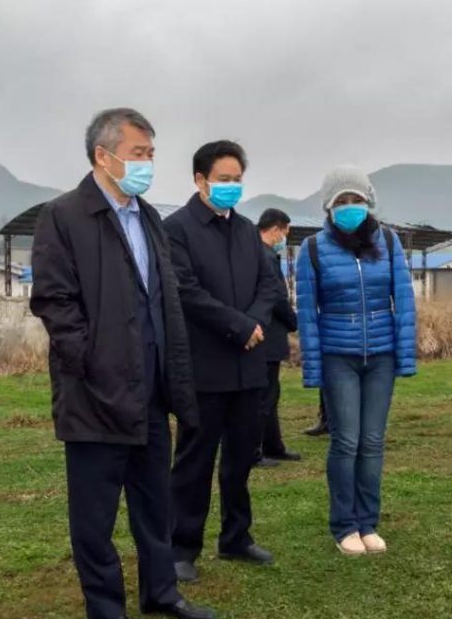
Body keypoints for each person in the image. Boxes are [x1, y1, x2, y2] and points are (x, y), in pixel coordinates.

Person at [30, 107, 214, 619]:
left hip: (151, 389)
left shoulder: (149, 217)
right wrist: (89, 361)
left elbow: (164, 300)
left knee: (155, 502)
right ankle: (106, 608)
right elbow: (54, 301)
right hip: (94, 394)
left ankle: (161, 591)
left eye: (151, 153)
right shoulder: (64, 216)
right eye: (138, 153)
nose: (147, 163)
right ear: (102, 155)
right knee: (95, 512)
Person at [166, 140, 281, 582]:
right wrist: (238, 326)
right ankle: (182, 546)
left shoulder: (247, 231)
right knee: (194, 461)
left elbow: (269, 286)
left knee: (240, 458)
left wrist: (254, 324)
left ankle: (236, 536)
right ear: (200, 180)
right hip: (205, 366)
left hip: (248, 366)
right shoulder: (177, 230)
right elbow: (186, 291)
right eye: (223, 179)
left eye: (237, 180)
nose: (231, 186)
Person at [296, 165, 417, 556]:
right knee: (346, 441)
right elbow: (307, 315)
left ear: (369, 202)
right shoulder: (312, 250)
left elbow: (404, 301)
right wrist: (313, 368)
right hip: (338, 358)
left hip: (381, 356)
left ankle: (368, 522)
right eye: (342, 201)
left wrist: (404, 356)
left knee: (373, 441)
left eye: (357, 199)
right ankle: (344, 525)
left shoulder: (390, 242)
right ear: (329, 207)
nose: (350, 207)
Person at [255, 208, 301, 467]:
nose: (285, 238)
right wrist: (293, 321)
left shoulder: (255, 252)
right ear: (275, 230)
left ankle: (273, 445)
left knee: (271, 394)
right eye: (285, 233)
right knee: (263, 398)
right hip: (268, 335)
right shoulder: (265, 256)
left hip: (267, 336)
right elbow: (276, 296)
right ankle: (255, 450)